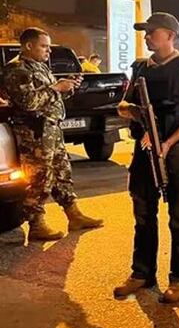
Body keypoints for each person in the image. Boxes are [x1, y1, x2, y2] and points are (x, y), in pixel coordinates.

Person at [113, 13, 179, 305]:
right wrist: (134, 112)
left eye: (151, 32)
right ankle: (142, 273)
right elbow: (122, 105)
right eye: (145, 33)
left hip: (177, 149)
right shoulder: (140, 67)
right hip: (145, 147)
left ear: (169, 35)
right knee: (143, 214)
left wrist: (167, 142)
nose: (146, 37)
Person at [2, 27, 103, 241]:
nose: (48, 51)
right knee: (40, 177)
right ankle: (36, 224)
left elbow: (47, 98)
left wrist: (67, 88)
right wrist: (56, 88)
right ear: (29, 46)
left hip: (51, 129)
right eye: (44, 46)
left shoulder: (39, 66)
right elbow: (28, 102)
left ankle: (73, 214)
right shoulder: (16, 69)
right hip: (34, 133)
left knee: (61, 172)